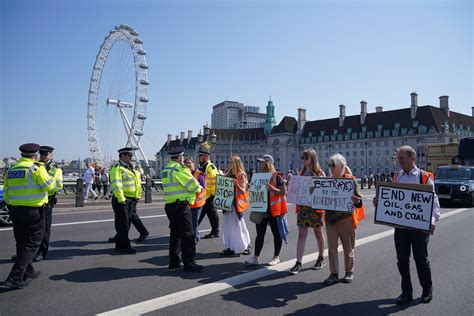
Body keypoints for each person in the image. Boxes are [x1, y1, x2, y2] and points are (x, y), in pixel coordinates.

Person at [373, 145, 440, 305]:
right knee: (402, 260)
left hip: (419, 227)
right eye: (398, 158)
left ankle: (427, 290)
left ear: (412, 158)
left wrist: (432, 220)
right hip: (401, 227)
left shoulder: (424, 177)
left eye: (401, 158)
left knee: (421, 259)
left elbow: (434, 202)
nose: (399, 161)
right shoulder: (398, 177)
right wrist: (380, 202)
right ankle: (406, 292)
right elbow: (393, 201)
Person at [3, 143, 55, 289]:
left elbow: (6, 191)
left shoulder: (11, 169)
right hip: (33, 211)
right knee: (33, 243)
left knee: (21, 241)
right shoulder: (37, 168)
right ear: (36, 155)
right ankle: (15, 277)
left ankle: (29, 270)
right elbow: (50, 187)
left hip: (14, 210)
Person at [324, 153, 365, 286]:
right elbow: (320, 199)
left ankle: (349, 271)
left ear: (341, 166)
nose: (331, 168)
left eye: (333, 165)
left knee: (348, 248)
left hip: (346, 218)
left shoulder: (350, 180)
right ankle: (334, 273)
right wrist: (314, 192)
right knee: (331, 248)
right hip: (331, 220)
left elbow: (359, 202)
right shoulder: (327, 181)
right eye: (329, 165)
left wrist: (356, 201)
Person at [162, 147, 204, 272]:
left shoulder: (166, 169)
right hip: (180, 206)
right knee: (188, 234)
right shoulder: (179, 168)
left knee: (175, 234)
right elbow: (192, 184)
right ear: (180, 157)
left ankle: (174, 262)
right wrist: (199, 188)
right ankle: (189, 262)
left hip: (169, 205)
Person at [245, 154, 288, 266]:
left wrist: (273, 189)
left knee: (276, 233)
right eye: (260, 162)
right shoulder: (258, 176)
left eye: (262, 162)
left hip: (274, 210)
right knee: (260, 234)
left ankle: (276, 257)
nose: (260, 164)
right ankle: (256, 257)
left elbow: (283, 192)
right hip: (261, 209)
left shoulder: (276, 176)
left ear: (268, 163)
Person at [289, 148, 326, 275]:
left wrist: (315, 189)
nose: (304, 160)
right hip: (303, 207)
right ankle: (298, 262)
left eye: (306, 157)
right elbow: (296, 189)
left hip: (316, 207)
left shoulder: (319, 173)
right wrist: (291, 182)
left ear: (312, 159)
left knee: (318, 233)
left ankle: (321, 257)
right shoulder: (301, 173)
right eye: (303, 158)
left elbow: (324, 189)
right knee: (302, 234)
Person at [109, 148, 145, 254]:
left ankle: (119, 244)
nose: (131, 157)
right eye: (129, 155)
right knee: (124, 223)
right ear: (122, 156)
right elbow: (116, 184)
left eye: (131, 156)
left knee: (126, 223)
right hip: (122, 199)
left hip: (131, 199)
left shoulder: (131, 168)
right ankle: (125, 246)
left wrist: (137, 196)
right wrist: (121, 199)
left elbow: (137, 183)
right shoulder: (117, 168)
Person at [34, 146, 63, 262]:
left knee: (44, 229)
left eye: (46, 155)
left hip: (47, 202)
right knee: (31, 230)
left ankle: (42, 252)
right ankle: (28, 253)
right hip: (34, 202)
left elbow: (58, 186)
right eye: (42, 154)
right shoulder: (34, 166)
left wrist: (43, 188)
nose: (43, 157)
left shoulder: (56, 169)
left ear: (51, 155)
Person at [221, 155, 251, 256]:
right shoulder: (228, 173)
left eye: (231, 163)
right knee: (228, 226)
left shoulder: (241, 175)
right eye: (229, 162)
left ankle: (246, 245)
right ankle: (230, 247)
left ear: (236, 164)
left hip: (236, 204)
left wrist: (236, 184)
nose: (229, 164)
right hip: (228, 203)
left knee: (238, 225)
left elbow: (243, 190)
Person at [197, 147, 220, 239]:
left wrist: (211, 194)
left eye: (200, 156)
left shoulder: (211, 167)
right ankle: (192, 229)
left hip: (209, 195)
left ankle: (215, 231)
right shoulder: (202, 166)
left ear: (205, 156)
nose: (199, 158)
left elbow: (214, 181)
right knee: (204, 213)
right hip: (203, 195)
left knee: (211, 213)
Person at [184, 156, 206, 243]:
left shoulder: (198, 174)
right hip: (189, 203)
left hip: (197, 203)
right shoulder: (185, 174)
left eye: (190, 163)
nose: (188, 164)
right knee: (190, 223)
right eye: (186, 163)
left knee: (193, 223)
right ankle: (196, 237)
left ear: (193, 163)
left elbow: (202, 188)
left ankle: (194, 238)